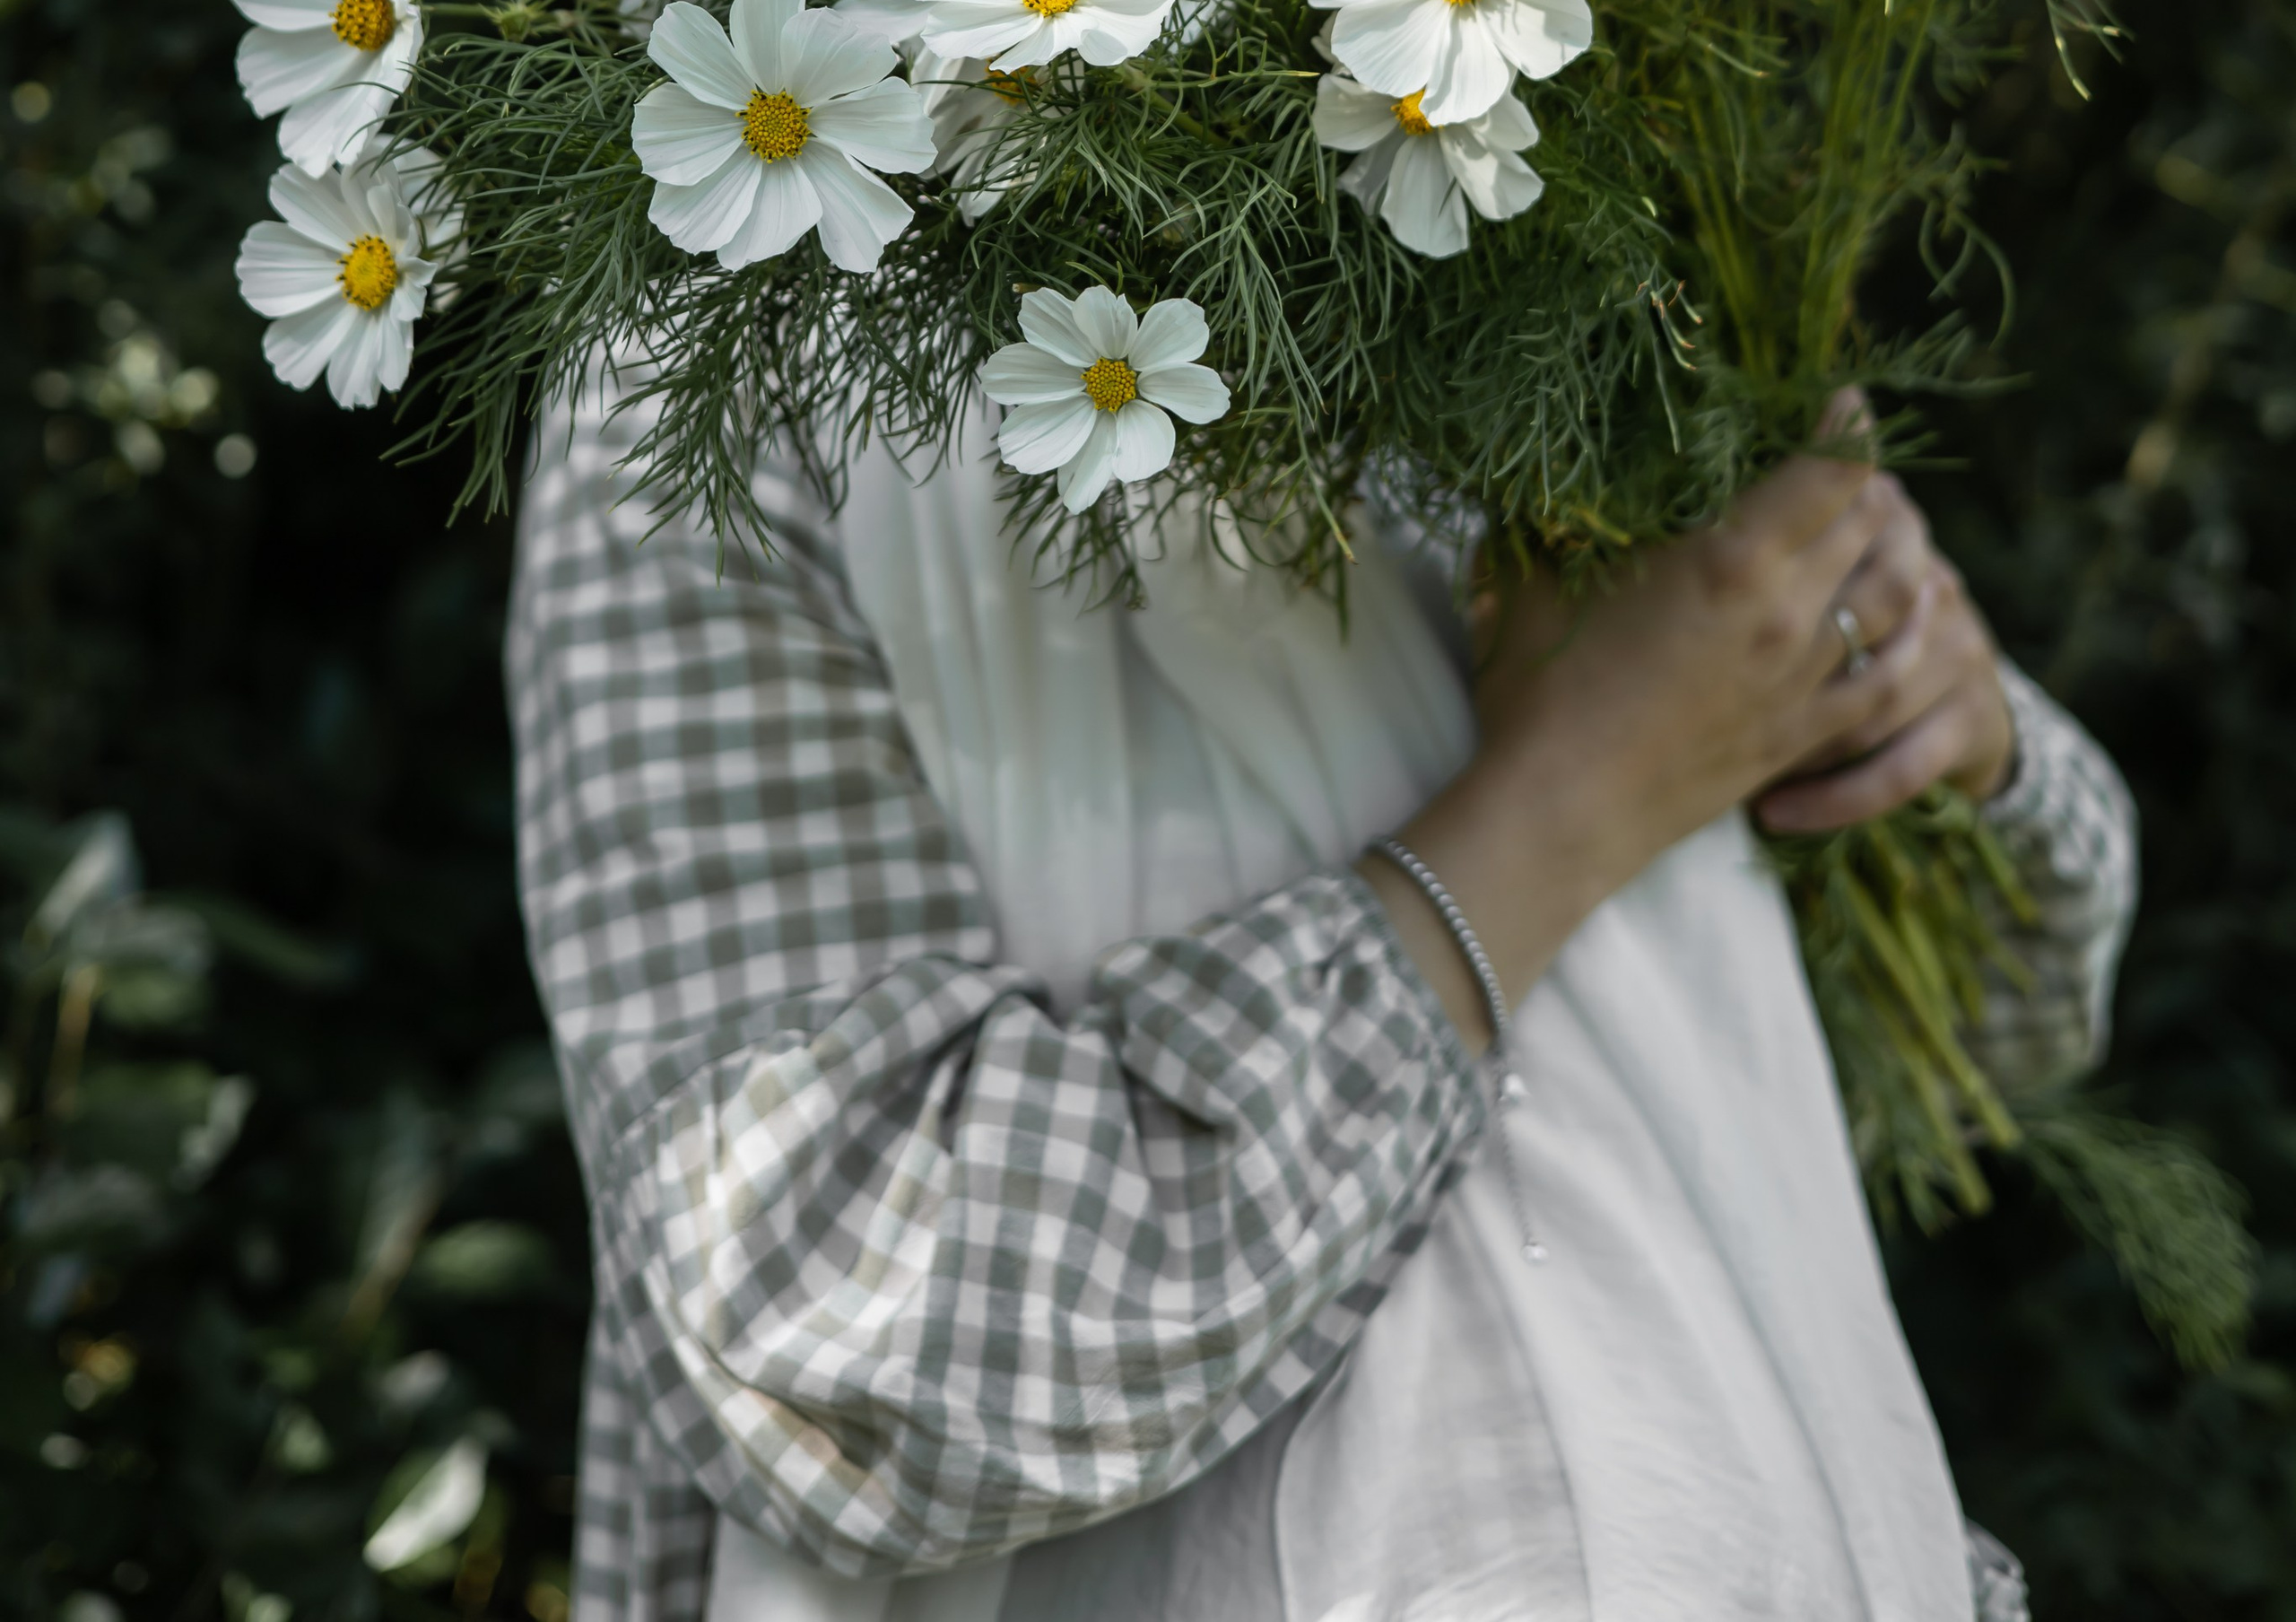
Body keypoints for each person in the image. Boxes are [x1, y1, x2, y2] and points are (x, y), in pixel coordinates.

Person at [507, 373, 2134, 1622]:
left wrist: (1937, 715)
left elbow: (1986, 1042)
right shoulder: (711, 379)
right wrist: (1571, 799)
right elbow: (837, 1336)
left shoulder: (1538, 183)